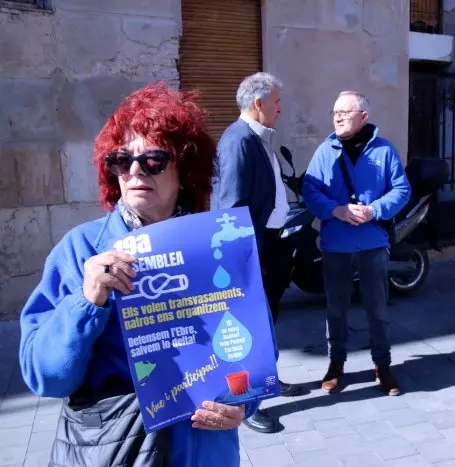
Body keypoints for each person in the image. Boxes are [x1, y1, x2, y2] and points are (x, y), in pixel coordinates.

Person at [19, 83, 259, 466]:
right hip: (116, 447)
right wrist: (86, 302)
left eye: (153, 160)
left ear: (184, 169)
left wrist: (245, 402)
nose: (134, 171)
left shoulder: (219, 245)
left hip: (204, 448)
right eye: (120, 160)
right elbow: (46, 377)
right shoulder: (81, 249)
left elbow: (253, 347)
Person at [211, 72, 302, 434]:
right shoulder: (239, 141)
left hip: (273, 242)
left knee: (267, 323)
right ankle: (248, 406)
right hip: (253, 250)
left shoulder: (260, 138)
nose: (281, 108)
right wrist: (242, 261)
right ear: (258, 103)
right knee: (250, 328)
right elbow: (230, 207)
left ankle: (268, 381)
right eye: (276, 101)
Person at [303, 91, 410, 396]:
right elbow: (310, 189)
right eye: (335, 111)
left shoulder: (384, 151)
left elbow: (402, 189)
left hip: (372, 243)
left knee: (377, 308)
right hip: (336, 243)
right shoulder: (325, 151)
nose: (337, 117)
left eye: (345, 112)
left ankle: (383, 365)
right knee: (336, 308)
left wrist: (374, 210)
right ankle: (336, 365)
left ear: (363, 117)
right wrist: (334, 209)